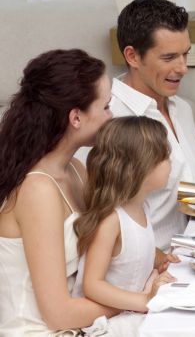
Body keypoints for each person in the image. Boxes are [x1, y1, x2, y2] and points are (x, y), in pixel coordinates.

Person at [0, 49, 117, 335]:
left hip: (80, 324)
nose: (112, 116)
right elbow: (59, 315)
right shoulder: (38, 190)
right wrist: (139, 299)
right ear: (76, 117)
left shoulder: (76, 169)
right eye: (105, 107)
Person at [112, 0, 195, 249]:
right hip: (151, 269)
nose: (183, 68)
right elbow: (98, 217)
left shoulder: (183, 109)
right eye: (169, 58)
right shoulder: (109, 118)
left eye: (185, 54)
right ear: (132, 56)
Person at [72, 116, 177, 335]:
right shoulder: (111, 220)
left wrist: (161, 259)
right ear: (140, 168)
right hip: (113, 322)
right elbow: (93, 285)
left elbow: (134, 252)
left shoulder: (141, 207)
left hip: (132, 310)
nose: (171, 162)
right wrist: (143, 301)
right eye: (165, 156)